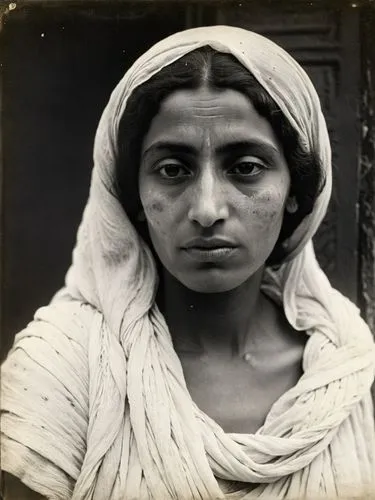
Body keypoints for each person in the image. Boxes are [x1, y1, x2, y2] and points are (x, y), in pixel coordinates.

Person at [1, 25, 374, 500]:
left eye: (246, 168)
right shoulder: (64, 370)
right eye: (173, 170)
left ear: (296, 192)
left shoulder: (344, 370)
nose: (206, 209)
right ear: (132, 196)